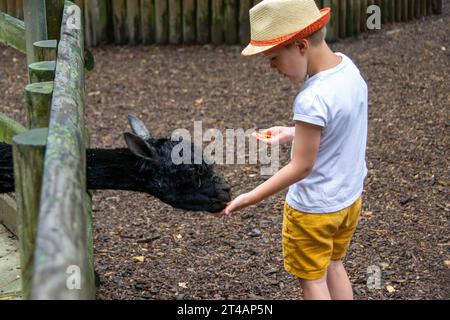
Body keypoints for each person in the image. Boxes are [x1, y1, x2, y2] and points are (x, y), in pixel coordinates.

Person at [219, 0, 368, 300]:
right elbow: (340, 127)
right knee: (333, 266)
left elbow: (301, 167)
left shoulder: (311, 98)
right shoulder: (348, 68)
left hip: (313, 212)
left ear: (301, 46)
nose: (273, 67)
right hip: (348, 202)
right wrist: (293, 133)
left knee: (312, 281)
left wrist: (250, 197)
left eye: (273, 58)